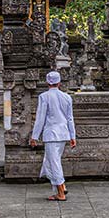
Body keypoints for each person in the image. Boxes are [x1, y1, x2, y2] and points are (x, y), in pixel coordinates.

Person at [30, 70, 75, 202]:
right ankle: (60, 187)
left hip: (51, 134)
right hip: (63, 133)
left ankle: (61, 191)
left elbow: (40, 118)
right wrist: (73, 136)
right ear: (59, 82)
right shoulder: (67, 97)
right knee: (49, 161)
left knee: (54, 162)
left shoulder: (44, 96)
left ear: (47, 82)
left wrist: (34, 136)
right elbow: (70, 118)